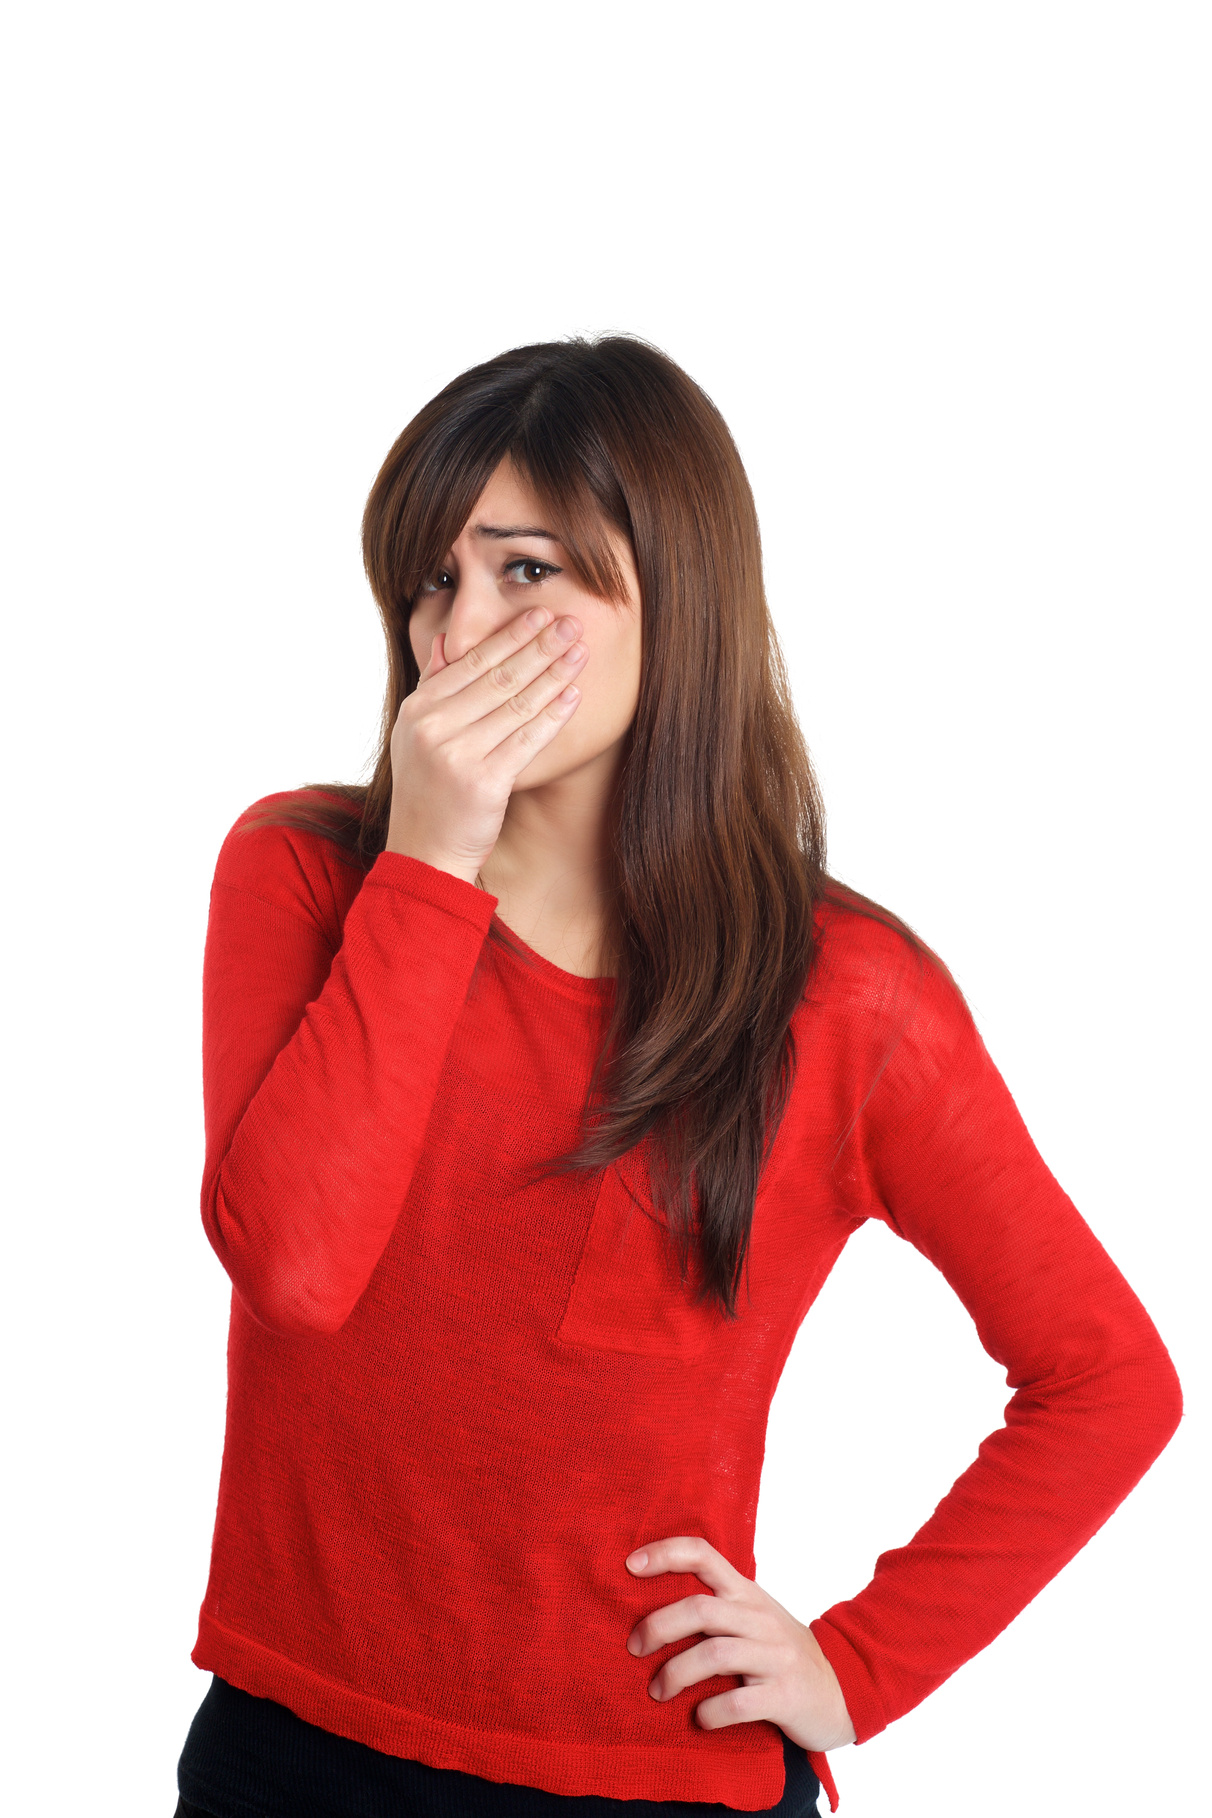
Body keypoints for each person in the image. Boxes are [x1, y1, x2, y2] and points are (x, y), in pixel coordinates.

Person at [174, 334, 1182, 1818]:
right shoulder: (306, 875)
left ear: (675, 600)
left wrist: (858, 1663)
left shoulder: (847, 998)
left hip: (646, 1780)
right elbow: (298, 1266)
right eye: (433, 581)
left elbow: (1108, 1378)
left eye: (527, 574)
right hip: (288, 1748)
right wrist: (433, 861)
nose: (458, 637)